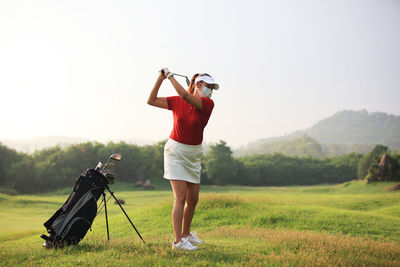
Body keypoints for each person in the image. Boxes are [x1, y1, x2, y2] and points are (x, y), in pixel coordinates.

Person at [147, 68, 219, 251]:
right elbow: (151, 100)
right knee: (181, 197)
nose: (211, 90)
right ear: (198, 85)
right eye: (208, 86)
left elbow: (187, 97)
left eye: (212, 87)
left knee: (193, 199)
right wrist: (160, 78)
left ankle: (186, 234)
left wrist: (170, 77)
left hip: (194, 154)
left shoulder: (208, 103)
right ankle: (178, 241)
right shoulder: (178, 101)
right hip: (175, 152)